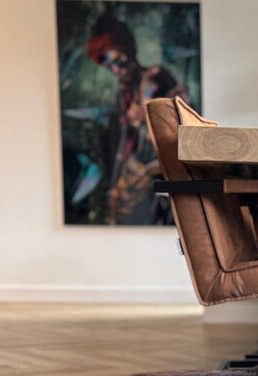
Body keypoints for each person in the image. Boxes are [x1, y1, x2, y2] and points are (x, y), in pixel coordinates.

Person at [86, 14, 190, 224]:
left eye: (118, 61)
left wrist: (149, 117)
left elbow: (189, 121)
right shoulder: (122, 93)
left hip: (162, 174)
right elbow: (123, 143)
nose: (115, 70)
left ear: (128, 49)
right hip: (133, 180)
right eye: (108, 66)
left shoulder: (156, 77)